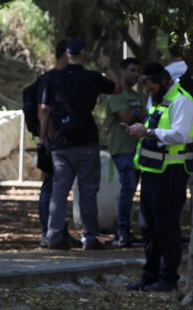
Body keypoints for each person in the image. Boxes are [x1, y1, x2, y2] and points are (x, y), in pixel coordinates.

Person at [38, 38, 120, 250]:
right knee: (87, 191)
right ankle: (90, 237)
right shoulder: (92, 78)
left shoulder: (53, 78)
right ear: (83, 56)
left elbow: (44, 109)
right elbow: (118, 87)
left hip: (61, 143)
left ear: (67, 55)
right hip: (86, 141)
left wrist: (43, 138)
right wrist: (106, 66)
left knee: (59, 190)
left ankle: (53, 235)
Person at [125, 62, 193, 292]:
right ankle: (150, 275)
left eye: (152, 89)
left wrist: (148, 132)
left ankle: (168, 278)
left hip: (171, 173)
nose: (149, 93)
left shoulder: (182, 101)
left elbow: (181, 134)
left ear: (164, 81)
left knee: (166, 227)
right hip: (152, 171)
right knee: (148, 227)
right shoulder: (158, 102)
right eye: (147, 90)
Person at [24, 40, 78, 246]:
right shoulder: (50, 79)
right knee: (51, 187)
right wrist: (46, 138)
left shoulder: (58, 78)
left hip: (57, 141)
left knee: (57, 187)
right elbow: (43, 110)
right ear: (65, 54)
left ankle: (58, 231)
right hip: (52, 141)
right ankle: (49, 232)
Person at [104, 57, 144, 247]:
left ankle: (126, 229)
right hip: (122, 148)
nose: (136, 74)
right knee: (127, 188)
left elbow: (144, 118)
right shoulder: (116, 94)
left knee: (131, 189)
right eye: (132, 70)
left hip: (137, 149)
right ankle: (122, 231)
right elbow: (127, 118)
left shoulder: (137, 96)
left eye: (138, 71)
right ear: (122, 71)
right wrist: (135, 116)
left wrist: (135, 116)